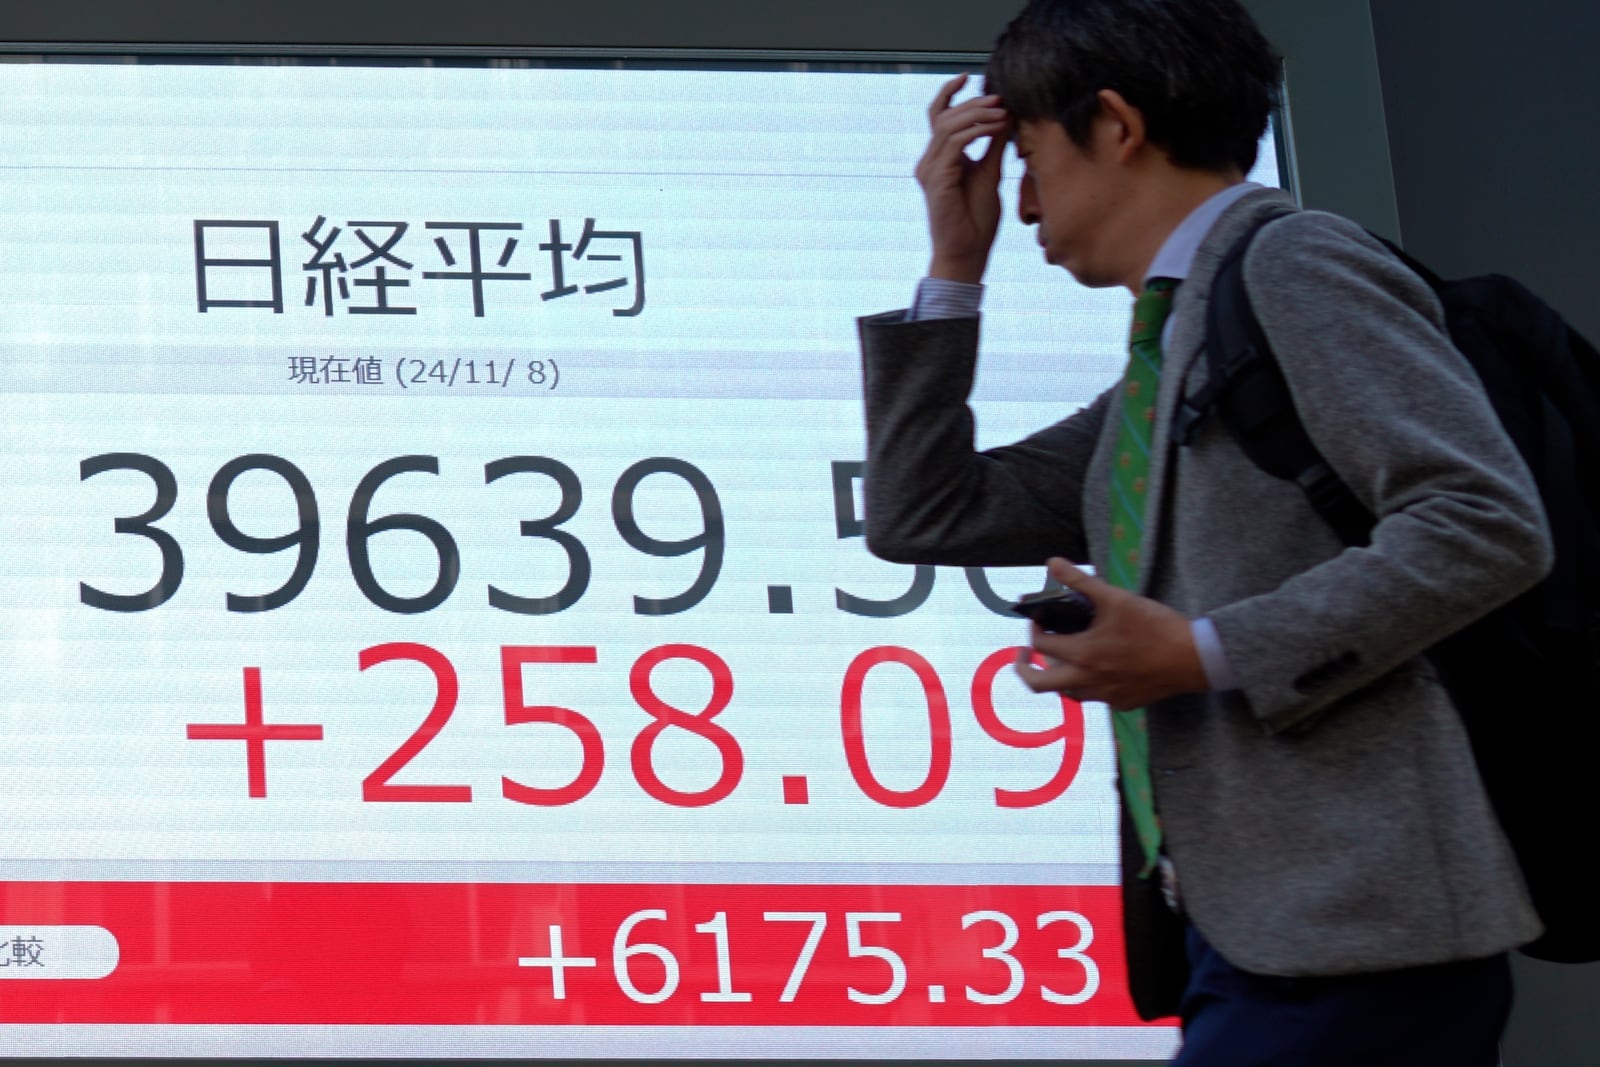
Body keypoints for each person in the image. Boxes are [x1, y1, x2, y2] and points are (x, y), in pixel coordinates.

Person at [856, 0, 1553, 1062]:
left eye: (1032, 155)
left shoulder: (1291, 264)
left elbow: (1483, 521)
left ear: (1117, 126)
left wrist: (1199, 651)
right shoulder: (1175, 346)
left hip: (1358, 934)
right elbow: (924, 511)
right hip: (1263, 934)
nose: (1024, 200)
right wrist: (954, 267)